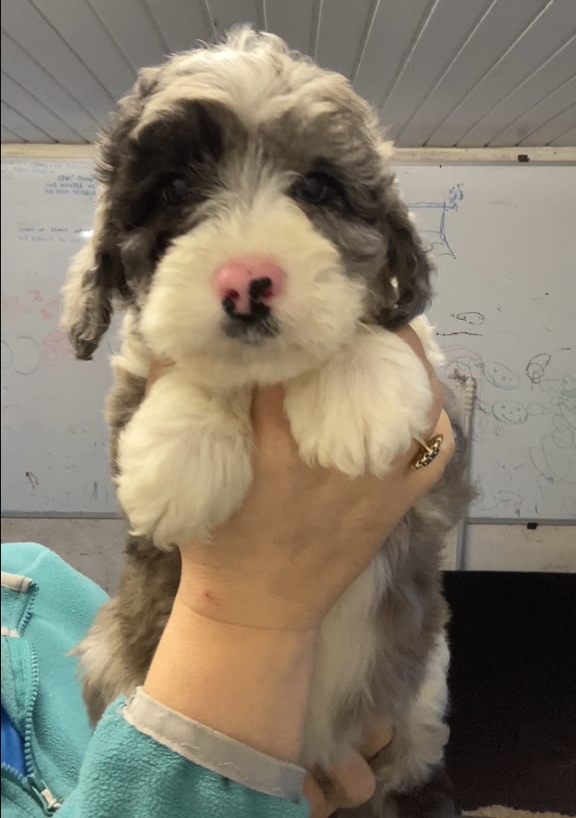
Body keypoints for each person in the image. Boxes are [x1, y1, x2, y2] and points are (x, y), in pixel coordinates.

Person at [1, 328, 454, 817]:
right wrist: (250, 617)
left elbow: (431, 459)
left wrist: (424, 454)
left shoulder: (34, 582)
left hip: (371, 718)